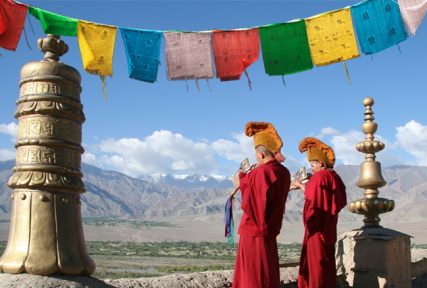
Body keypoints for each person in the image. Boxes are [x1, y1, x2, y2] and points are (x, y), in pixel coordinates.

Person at [232, 121, 291, 288]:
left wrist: (240, 179)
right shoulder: (284, 173)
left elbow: (254, 202)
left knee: (253, 276)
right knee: (267, 273)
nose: (257, 158)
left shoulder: (261, 172)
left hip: (254, 233)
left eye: (257, 155)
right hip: (271, 231)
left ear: (262, 154)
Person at [293, 137, 347, 288]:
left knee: (316, 267)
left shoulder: (320, 176)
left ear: (321, 163)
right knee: (326, 264)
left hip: (317, 230)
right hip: (329, 228)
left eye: (312, 164)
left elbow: (313, 200)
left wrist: (301, 186)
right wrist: (305, 187)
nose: (311, 168)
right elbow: (335, 200)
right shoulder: (335, 177)